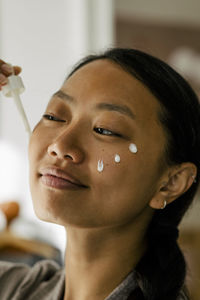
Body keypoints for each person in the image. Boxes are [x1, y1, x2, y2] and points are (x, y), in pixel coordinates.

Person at [0, 48, 199, 300]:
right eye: (54, 116)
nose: (60, 146)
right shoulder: (13, 289)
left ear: (170, 182)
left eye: (106, 130)